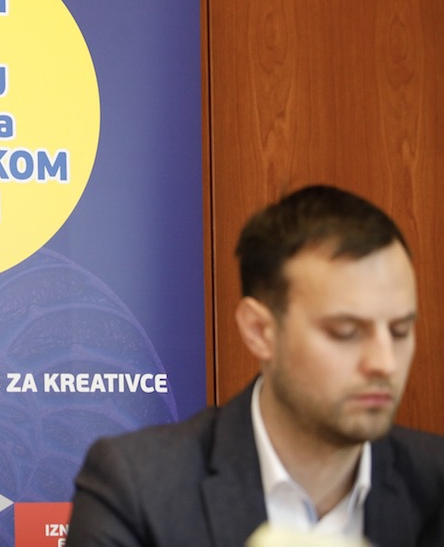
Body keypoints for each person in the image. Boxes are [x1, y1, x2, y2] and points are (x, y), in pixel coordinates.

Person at [67, 185, 444, 546]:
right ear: (260, 331)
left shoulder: (434, 481)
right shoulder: (139, 487)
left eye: (400, 331)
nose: (384, 363)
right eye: (345, 332)